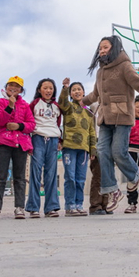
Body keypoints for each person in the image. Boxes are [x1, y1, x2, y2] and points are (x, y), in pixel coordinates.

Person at [82, 36, 139, 213]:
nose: (102, 51)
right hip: (105, 118)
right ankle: (112, 190)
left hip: (122, 116)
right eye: (100, 48)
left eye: (105, 47)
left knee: (118, 152)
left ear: (114, 48)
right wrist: (83, 101)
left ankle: (135, 174)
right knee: (102, 151)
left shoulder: (124, 65)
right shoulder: (100, 71)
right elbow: (95, 94)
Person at [0, 76, 34, 220]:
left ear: (21, 90)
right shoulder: (0, 102)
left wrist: (19, 126)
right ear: (6, 87)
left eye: (17, 86)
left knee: (20, 177)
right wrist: (9, 106)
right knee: (0, 176)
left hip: (20, 144)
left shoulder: (25, 105)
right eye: (11, 85)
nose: (13, 88)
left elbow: (31, 124)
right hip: (3, 142)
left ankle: (19, 207)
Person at [59, 78, 96, 217]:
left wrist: (93, 149)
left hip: (84, 149)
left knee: (80, 178)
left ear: (84, 92)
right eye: (73, 90)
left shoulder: (89, 112)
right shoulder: (68, 107)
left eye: (79, 89)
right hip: (69, 147)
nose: (76, 92)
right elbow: (62, 102)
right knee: (70, 177)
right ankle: (70, 206)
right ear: (70, 94)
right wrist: (65, 88)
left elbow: (92, 131)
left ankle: (79, 204)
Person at [27, 78, 62, 218]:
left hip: (53, 139)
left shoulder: (57, 106)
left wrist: (59, 140)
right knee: (35, 173)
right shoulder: (34, 104)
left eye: (51, 88)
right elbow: (29, 122)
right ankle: (33, 207)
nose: (48, 91)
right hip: (38, 138)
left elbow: (57, 124)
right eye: (45, 88)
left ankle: (51, 207)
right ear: (39, 90)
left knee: (51, 174)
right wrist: (29, 141)